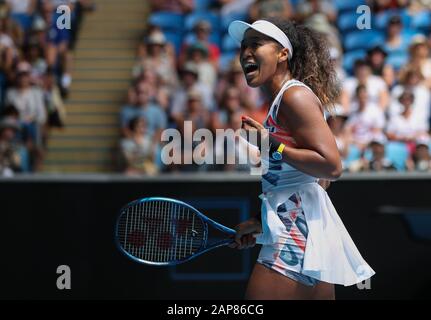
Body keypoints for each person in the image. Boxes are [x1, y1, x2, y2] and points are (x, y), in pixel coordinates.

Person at [227, 18, 375, 299]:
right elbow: (314, 179)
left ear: (283, 53)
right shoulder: (285, 100)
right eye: (243, 46)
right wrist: (259, 222)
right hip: (304, 228)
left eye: (256, 44)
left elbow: (331, 167)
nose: (245, 52)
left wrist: (273, 145)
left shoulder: (294, 96)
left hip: (295, 231)